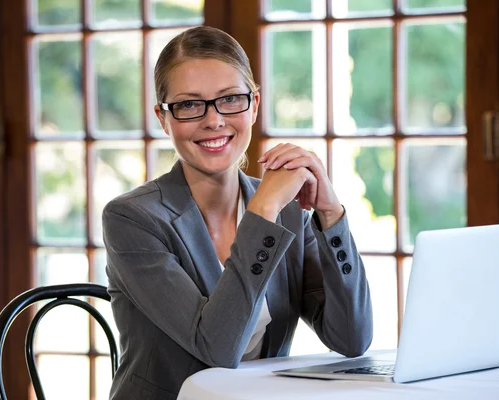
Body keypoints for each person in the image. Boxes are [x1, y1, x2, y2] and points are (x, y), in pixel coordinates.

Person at [102, 25, 373, 400]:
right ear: (163, 118)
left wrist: (330, 213)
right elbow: (217, 347)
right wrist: (261, 210)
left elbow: (352, 338)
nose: (213, 120)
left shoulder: (289, 211)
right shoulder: (132, 219)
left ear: (255, 104)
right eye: (189, 104)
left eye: (230, 99)